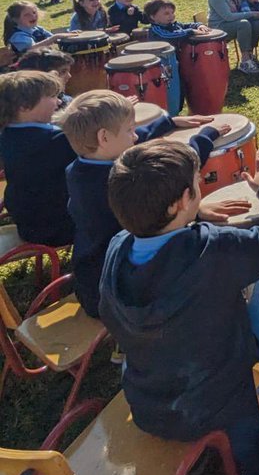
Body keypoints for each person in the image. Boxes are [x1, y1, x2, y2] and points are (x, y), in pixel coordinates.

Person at [99, 144, 259, 475]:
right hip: (220, 404)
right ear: (182, 201)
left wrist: (192, 218)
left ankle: (179, 472)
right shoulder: (212, 251)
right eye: (198, 186)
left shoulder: (116, 249)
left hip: (150, 403)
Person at [61, 91, 238, 317]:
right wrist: (203, 138)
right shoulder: (122, 184)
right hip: (122, 297)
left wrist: (167, 123)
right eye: (130, 130)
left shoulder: (77, 171)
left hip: (90, 280)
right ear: (104, 137)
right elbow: (173, 171)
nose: (135, 136)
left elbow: (124, 144)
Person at [0, 70, 76, 244]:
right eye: (51, 97)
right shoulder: (56, 141)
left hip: (28, 224)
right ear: (24, 106)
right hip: (59, 227)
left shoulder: (7, 135)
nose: (58, 102)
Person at [207, 0, 259, 74]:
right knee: (244, 23)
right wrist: (252, 13)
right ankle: (245, 61)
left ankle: (249, 54)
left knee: (258, 22)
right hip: (219, 26)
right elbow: (228, 16)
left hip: (235, 21)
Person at [144, 0, 209, 42]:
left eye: (172, 12)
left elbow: (186, 25)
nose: (171, 16)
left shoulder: (173, 25)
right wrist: (191, 31)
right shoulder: (156, 30)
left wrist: (199, 25)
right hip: (164, 60)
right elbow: (169, 36)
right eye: (166, 13)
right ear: (153, 16)